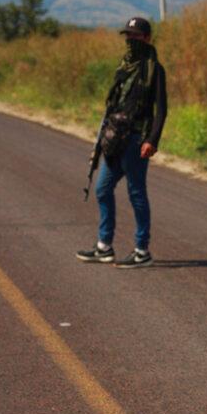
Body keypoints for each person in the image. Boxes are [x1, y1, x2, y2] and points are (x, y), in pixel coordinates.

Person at [76, 17, 167, 269]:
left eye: (135, 36)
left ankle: (142, 250)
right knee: (102, 189)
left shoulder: (154, 70)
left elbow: (161, 110)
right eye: (128, 36)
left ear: (147, 39)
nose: (130, 40)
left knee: (136, 194)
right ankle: (104, 247)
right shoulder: (124, 66)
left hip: (137, 141)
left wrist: (152, 140)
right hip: (114, 139)